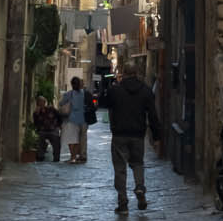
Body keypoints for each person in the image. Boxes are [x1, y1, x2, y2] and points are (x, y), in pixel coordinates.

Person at [101, 62, 160, 212]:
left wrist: (106, 86)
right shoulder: (146, 91)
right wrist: (157, 135)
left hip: (119, 134)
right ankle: (139, 187)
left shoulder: (116, 90)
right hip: (138, 134)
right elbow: (153, 115)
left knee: (120, 168)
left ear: (124, 73)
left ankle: (123, 202)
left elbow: (103, 103)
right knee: (138, 163)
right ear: (137, 73)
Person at [59, 75, 94, 164]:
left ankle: (73, 156)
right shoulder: (86, 94)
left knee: (73, 138)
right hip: (84, 119)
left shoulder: (69, 94)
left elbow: (61, 103)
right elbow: (93, 106)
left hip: (72, 119)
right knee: (82, 137)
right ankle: (82, 156)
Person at [32, 94, 62, 163]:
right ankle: (40, 156)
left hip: (53, 130)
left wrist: (58, 126)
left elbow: (59, 117)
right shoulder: (36, 113)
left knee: (56, 140)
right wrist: (36, 114)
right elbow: (35, 124)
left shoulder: (51, 109)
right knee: (40, 139)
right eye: (39, 102)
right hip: (43, 131)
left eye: (42, 102)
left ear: (45, 102)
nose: (41, 104)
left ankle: (56, 158)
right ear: (37, 104)